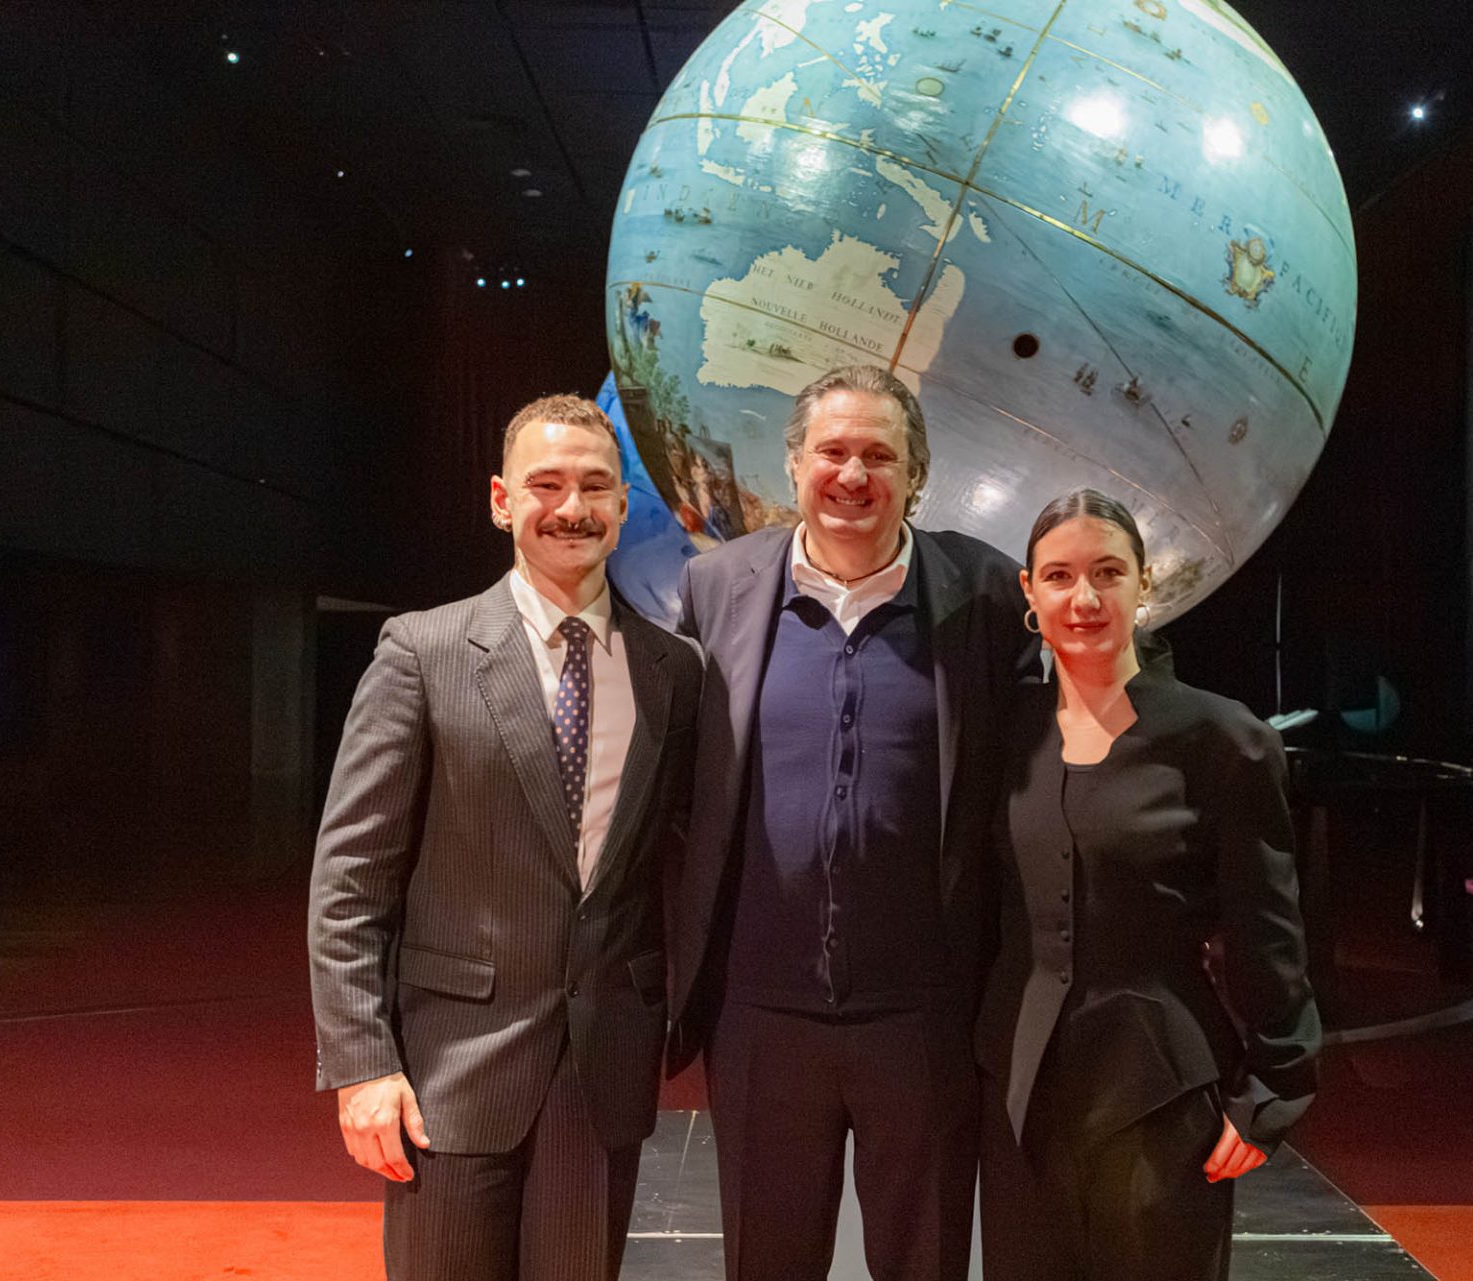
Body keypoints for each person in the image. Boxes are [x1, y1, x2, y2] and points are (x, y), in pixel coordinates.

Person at [307, 394, 701, 1280]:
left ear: (623, 504)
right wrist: (362, 1063)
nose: (572, 507)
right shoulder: (422, 651)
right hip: (447, 1070)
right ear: (501, 499)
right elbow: (350, 879)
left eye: (594, 485)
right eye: (546, 484)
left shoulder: (674, 670)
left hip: (601, 1074)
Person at [669, 364, 1037, 1281]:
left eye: (880, 455)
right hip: (760, 1016)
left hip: (926, 1019)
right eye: (832, 451)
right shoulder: (715, 588)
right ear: (795, 464)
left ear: (917, 474)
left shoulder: (987, 595)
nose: (853, 474)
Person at [975, 488, 1322, 1281]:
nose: (1085, 598)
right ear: (1029, 592)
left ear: (1145, 584)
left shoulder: (1224, 737)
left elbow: (1267, 927)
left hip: (1159, 1094)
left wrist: (1273, 1087)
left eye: (1108, 572)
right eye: (1059, 576)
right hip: (1020, 1095)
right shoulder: (1005, 730)